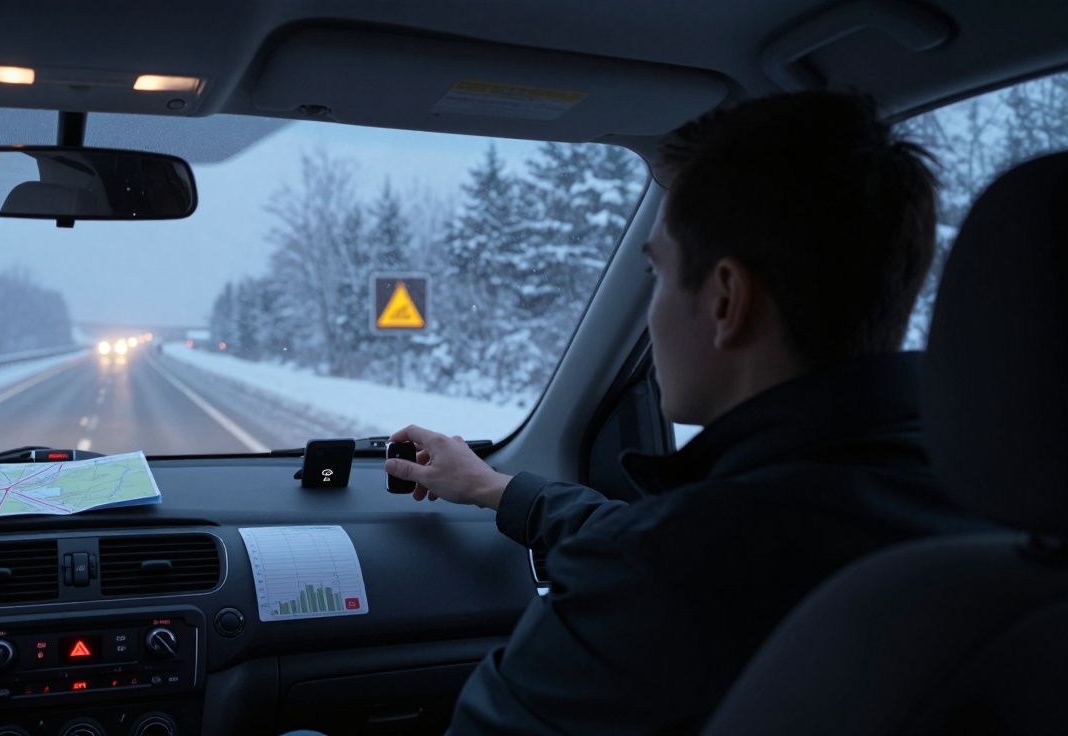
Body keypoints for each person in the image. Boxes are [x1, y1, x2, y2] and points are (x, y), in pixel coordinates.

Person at [385, 91, 989, 734]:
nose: (653, 313)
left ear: (726, 300)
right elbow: (678, 539)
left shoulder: (653, 588)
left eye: (659, 277)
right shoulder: (989, 515)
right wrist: (497, 489)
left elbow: (667, 554)